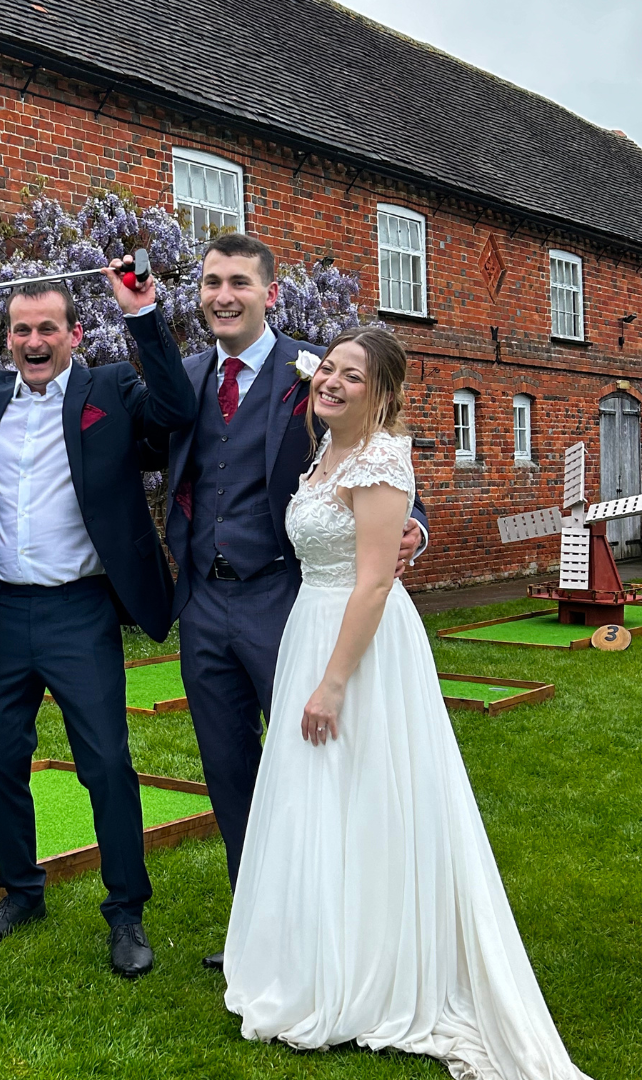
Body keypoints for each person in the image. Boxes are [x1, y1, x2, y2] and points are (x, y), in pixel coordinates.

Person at [223, 328, 591, 1078]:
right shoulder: (324, 454)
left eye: (351, 376)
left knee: (370, 794)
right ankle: (323, 951)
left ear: (383, 392)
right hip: (311, 628)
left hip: (359, 647)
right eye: (328, 368)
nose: (331, 382)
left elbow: (374, 581)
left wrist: (332, 683)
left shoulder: (384, 459)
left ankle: (377, 967)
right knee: (320, 796)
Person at [121, 233, 428, 968]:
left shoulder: (316, 374)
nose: (222, 296)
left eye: (238, 283)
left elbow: (377, 446)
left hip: (287, 602)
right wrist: (138, 318)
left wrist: (416, 524)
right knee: (229, 772)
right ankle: (258, 929)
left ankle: (340, 927)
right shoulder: (183, 374)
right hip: (205, 606)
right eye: (210, 282)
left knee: (314, 770)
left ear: (271, 294)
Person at [0, 263, 197, 977]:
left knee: (107, 764)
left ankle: (126, 911)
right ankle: (20, 891)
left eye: (48, 329)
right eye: (22, 330)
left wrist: (145, 315)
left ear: (74, 333)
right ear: (7, 339)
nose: (35, 341)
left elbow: (179, 412)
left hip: (78, 609)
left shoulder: (111, 390)